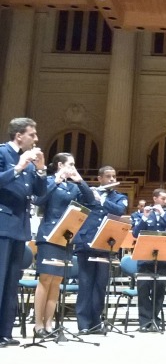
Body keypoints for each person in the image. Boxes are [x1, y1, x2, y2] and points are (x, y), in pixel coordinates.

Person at [32, 153, 94, 338]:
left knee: (57, 281)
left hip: (66, 236)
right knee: (46, 279)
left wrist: (81, 181)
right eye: (71, 165)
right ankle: (38, 324)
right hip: (49, 235)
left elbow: (91, 201)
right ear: (60, 165)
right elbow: (38, 200)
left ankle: (50, 323)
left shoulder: (73, 188)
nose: (74, 168)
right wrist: (56, 181)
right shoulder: (50, 181)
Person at [0, 118, 47, 348]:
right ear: (19, 135)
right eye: (32, 134)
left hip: (19, 227)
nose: (36, 139)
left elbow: (39, 194)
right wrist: (18, 167)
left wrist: (40, 170)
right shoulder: (3, 154)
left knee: (11, 282)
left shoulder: (29, 160)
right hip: (3, 225)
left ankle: (5, 332)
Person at [73, 166, 128, 334]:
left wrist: (102, 200)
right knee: (85, 284)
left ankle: (96, 323)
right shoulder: (88, 193)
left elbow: (119, 211)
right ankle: (83, 324)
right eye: (108, 176)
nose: (112, 179)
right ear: (100, 179)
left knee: (99, 286)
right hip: (86, 243)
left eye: (114, 176)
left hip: (105, 245)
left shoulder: (120, 198)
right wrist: (92, 194)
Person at [132, 188, 166, 331]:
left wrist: (163, 213)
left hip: (163, 261)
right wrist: (145, 217)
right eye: (163, 198)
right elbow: (135, 233)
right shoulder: (145, 215)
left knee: (159, 293)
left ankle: (155, 320)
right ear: (155, 198)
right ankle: (145, 322)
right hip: (145, 260)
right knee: (144, 292)